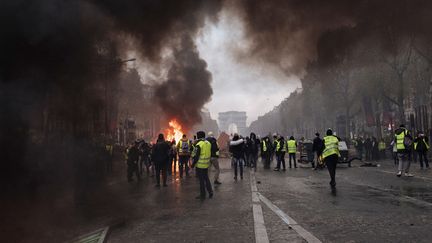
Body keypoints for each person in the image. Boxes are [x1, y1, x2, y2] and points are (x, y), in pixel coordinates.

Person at [191, 131, 213, 200]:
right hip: (206, 164)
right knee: (206, 178)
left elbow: (196, 156)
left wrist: (193, 165)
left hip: (200, 165)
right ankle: (210, 191)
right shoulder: (208, 143)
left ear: (198, 136)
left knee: (201, 181)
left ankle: (202, 195)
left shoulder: (199, 144)